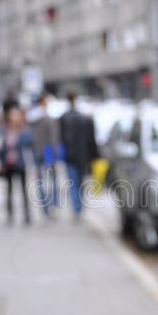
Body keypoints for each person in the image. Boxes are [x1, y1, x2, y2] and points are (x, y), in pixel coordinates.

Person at [58, 92, 99, 220]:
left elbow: (60, 139)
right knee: (80, 182)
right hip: (82, 156)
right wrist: (94, 156)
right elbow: (91, 140)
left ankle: (77, 207)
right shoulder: (84, 118)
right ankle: (79, 206)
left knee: (73, 182)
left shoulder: (64, 118)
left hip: (70, 156)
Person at [0, 105, 35, 225]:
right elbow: (1, 148)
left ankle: (27, 215)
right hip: (8, 164)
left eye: (16, 116)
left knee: (24, 190)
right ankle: (10, 215)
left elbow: (29, 146)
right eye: (12, 116)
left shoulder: (24, 131)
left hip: (21, 163)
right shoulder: (5, 131)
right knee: (9, 190)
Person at [27, 93, 60, 219]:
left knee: (40, 180)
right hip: (48, 152)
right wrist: (55, 152)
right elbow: (53, 137)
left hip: (36, 152)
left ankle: (45, 207)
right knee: (52, 180)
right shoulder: (48, 118)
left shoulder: (31, 119)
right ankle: (53, 204)